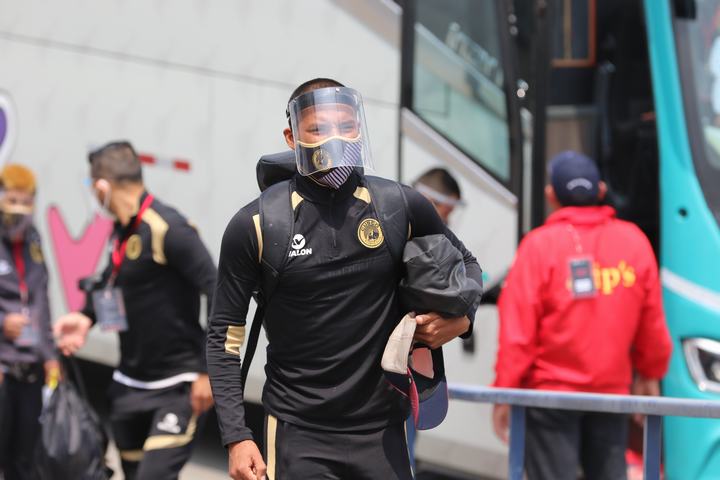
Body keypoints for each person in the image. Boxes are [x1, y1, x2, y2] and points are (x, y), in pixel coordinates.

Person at [206, 78, 483, 480]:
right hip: (298, 432)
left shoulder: (397, 205)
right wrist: (236, 435)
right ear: (292, 138)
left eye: (346, 126)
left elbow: (468, 265)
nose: (334, 138)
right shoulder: (258, 224)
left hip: (383, 431)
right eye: (318, 128)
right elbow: (224, 335)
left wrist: (463, 318)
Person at [491, 151, 672, 480]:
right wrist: (650, 373)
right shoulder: (634, 241)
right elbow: (653, 323)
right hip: (611, 395)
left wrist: (505, 390)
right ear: (601, 190)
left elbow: (517, 333)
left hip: (549, 397)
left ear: (550, 195)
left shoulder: (538, 246)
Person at [53, 141, 217, 480]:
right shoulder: (122, 229)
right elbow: (115, 282)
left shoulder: (168, 227)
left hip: (177, 387)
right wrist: (85, 317)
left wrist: (208, 369)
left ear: (102, 186)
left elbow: (217, 287)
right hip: (128, 386)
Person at [0, 164, 59, 480]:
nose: (18, 211)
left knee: (25, 459)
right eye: (12, 201)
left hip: (30, 363)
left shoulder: (33, 238)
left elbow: (41, 300)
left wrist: (50, 356)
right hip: (3, 364)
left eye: (25, 202)